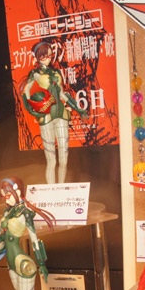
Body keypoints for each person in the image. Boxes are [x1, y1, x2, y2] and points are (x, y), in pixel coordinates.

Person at [21, 41, 88, 184]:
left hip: (61, 114)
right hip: (46, 116)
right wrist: (32, 109)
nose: (47, 58)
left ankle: (61, 188)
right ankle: (51, 191)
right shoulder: (35, 73)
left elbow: (63, 94)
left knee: (64, 160)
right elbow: (25, 91)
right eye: (43, 56)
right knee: (51, 161)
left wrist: (78, 109)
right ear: (37, 57)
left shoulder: (56, 72)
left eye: (49, 55)